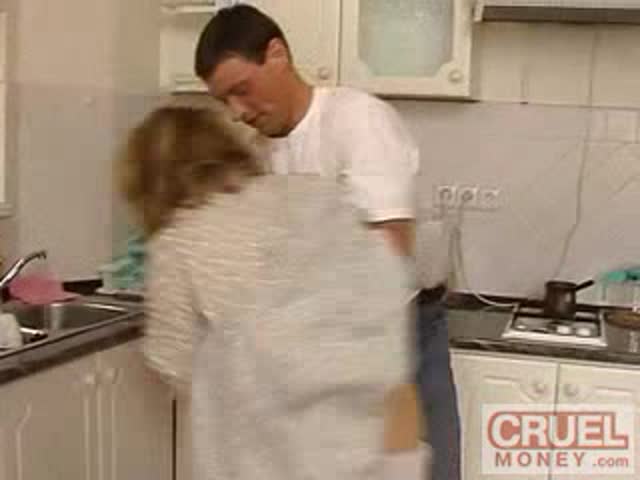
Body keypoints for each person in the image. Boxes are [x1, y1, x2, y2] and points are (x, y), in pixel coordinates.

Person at [194, 5, 460, 480]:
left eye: (242, 89)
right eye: (224, 101)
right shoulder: (261, 154)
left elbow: (387, 254)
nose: (237, 111)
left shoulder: (356, 120)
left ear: (277, 54)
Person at [117, 105, 421, 480]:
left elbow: (173, 358)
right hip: (390, 422)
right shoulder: (310, 190)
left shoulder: (177, 242)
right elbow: (382, 276)